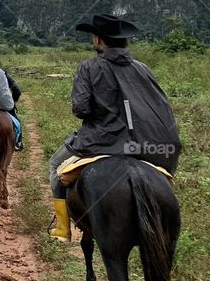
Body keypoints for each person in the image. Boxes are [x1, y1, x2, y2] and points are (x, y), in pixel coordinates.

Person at [48, 14, 182, 241]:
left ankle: (62, 228)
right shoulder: (143, 69)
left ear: (99, 40)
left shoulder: (89, 67)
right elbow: (159, 105)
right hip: (143, 143)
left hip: (98, 142)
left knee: (54, 165)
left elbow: (80, 109)